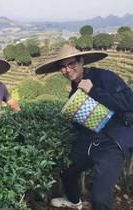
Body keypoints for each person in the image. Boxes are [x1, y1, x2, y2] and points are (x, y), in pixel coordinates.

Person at [36, 44, 133, 210]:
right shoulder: (74, 91)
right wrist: (71, 117)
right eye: (63, 67)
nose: (67, 70)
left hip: (113, 143)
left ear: (81, 62)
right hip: (90, 141)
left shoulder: (104, 77)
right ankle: (74, 201)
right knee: (67, 169)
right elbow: (86, 120)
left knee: (100, 199)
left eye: (71, 64)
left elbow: (129, 102)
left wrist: (94, 91)